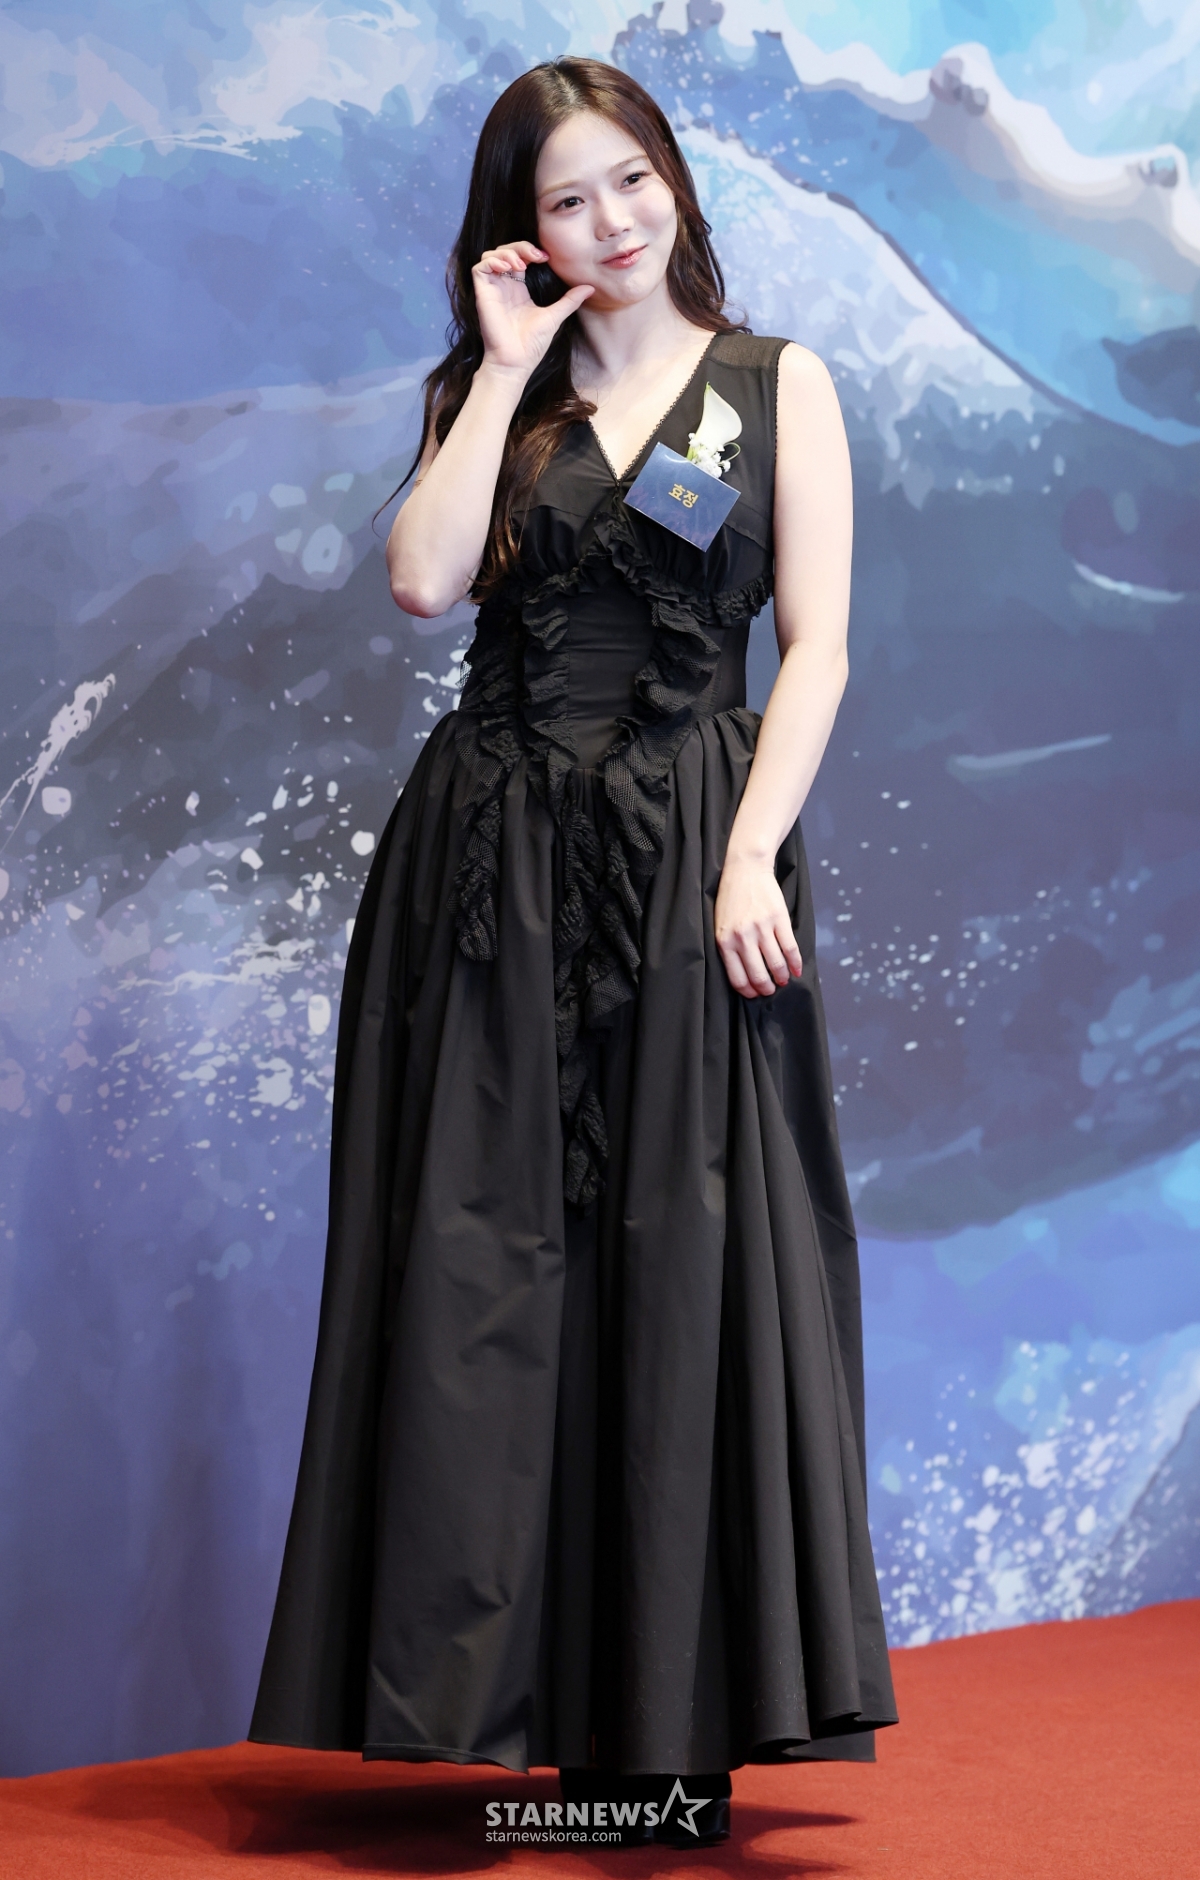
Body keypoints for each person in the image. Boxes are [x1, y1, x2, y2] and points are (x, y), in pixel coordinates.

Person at [249, 55, 897, 1849]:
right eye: (565, 200)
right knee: (486, 1270)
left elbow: (820, 647)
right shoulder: (500, 396)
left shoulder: (775, 387)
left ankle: (666, 1740)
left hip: (693, 855)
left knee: (687, 1259)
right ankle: (496, 1716)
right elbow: (419, 584)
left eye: (630, 182)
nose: (609, 223)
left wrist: (751, 857)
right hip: (492, 871)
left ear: (674, 182)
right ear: (518, 232)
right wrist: (502, 368)